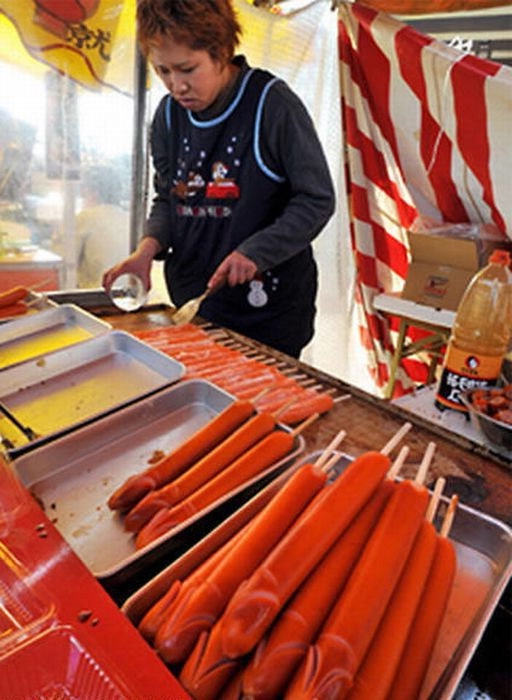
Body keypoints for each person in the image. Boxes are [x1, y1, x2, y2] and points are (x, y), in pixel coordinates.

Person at [103, 0, 335, 358]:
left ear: (221, 52)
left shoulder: (271, 105)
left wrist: (255, 253)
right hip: (196, 304)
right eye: (163, 71)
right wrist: (145, 251)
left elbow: (316, 199)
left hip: (268, 314)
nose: (176, 86)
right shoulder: (168, 117)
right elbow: (169, 198)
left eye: (187, 69)